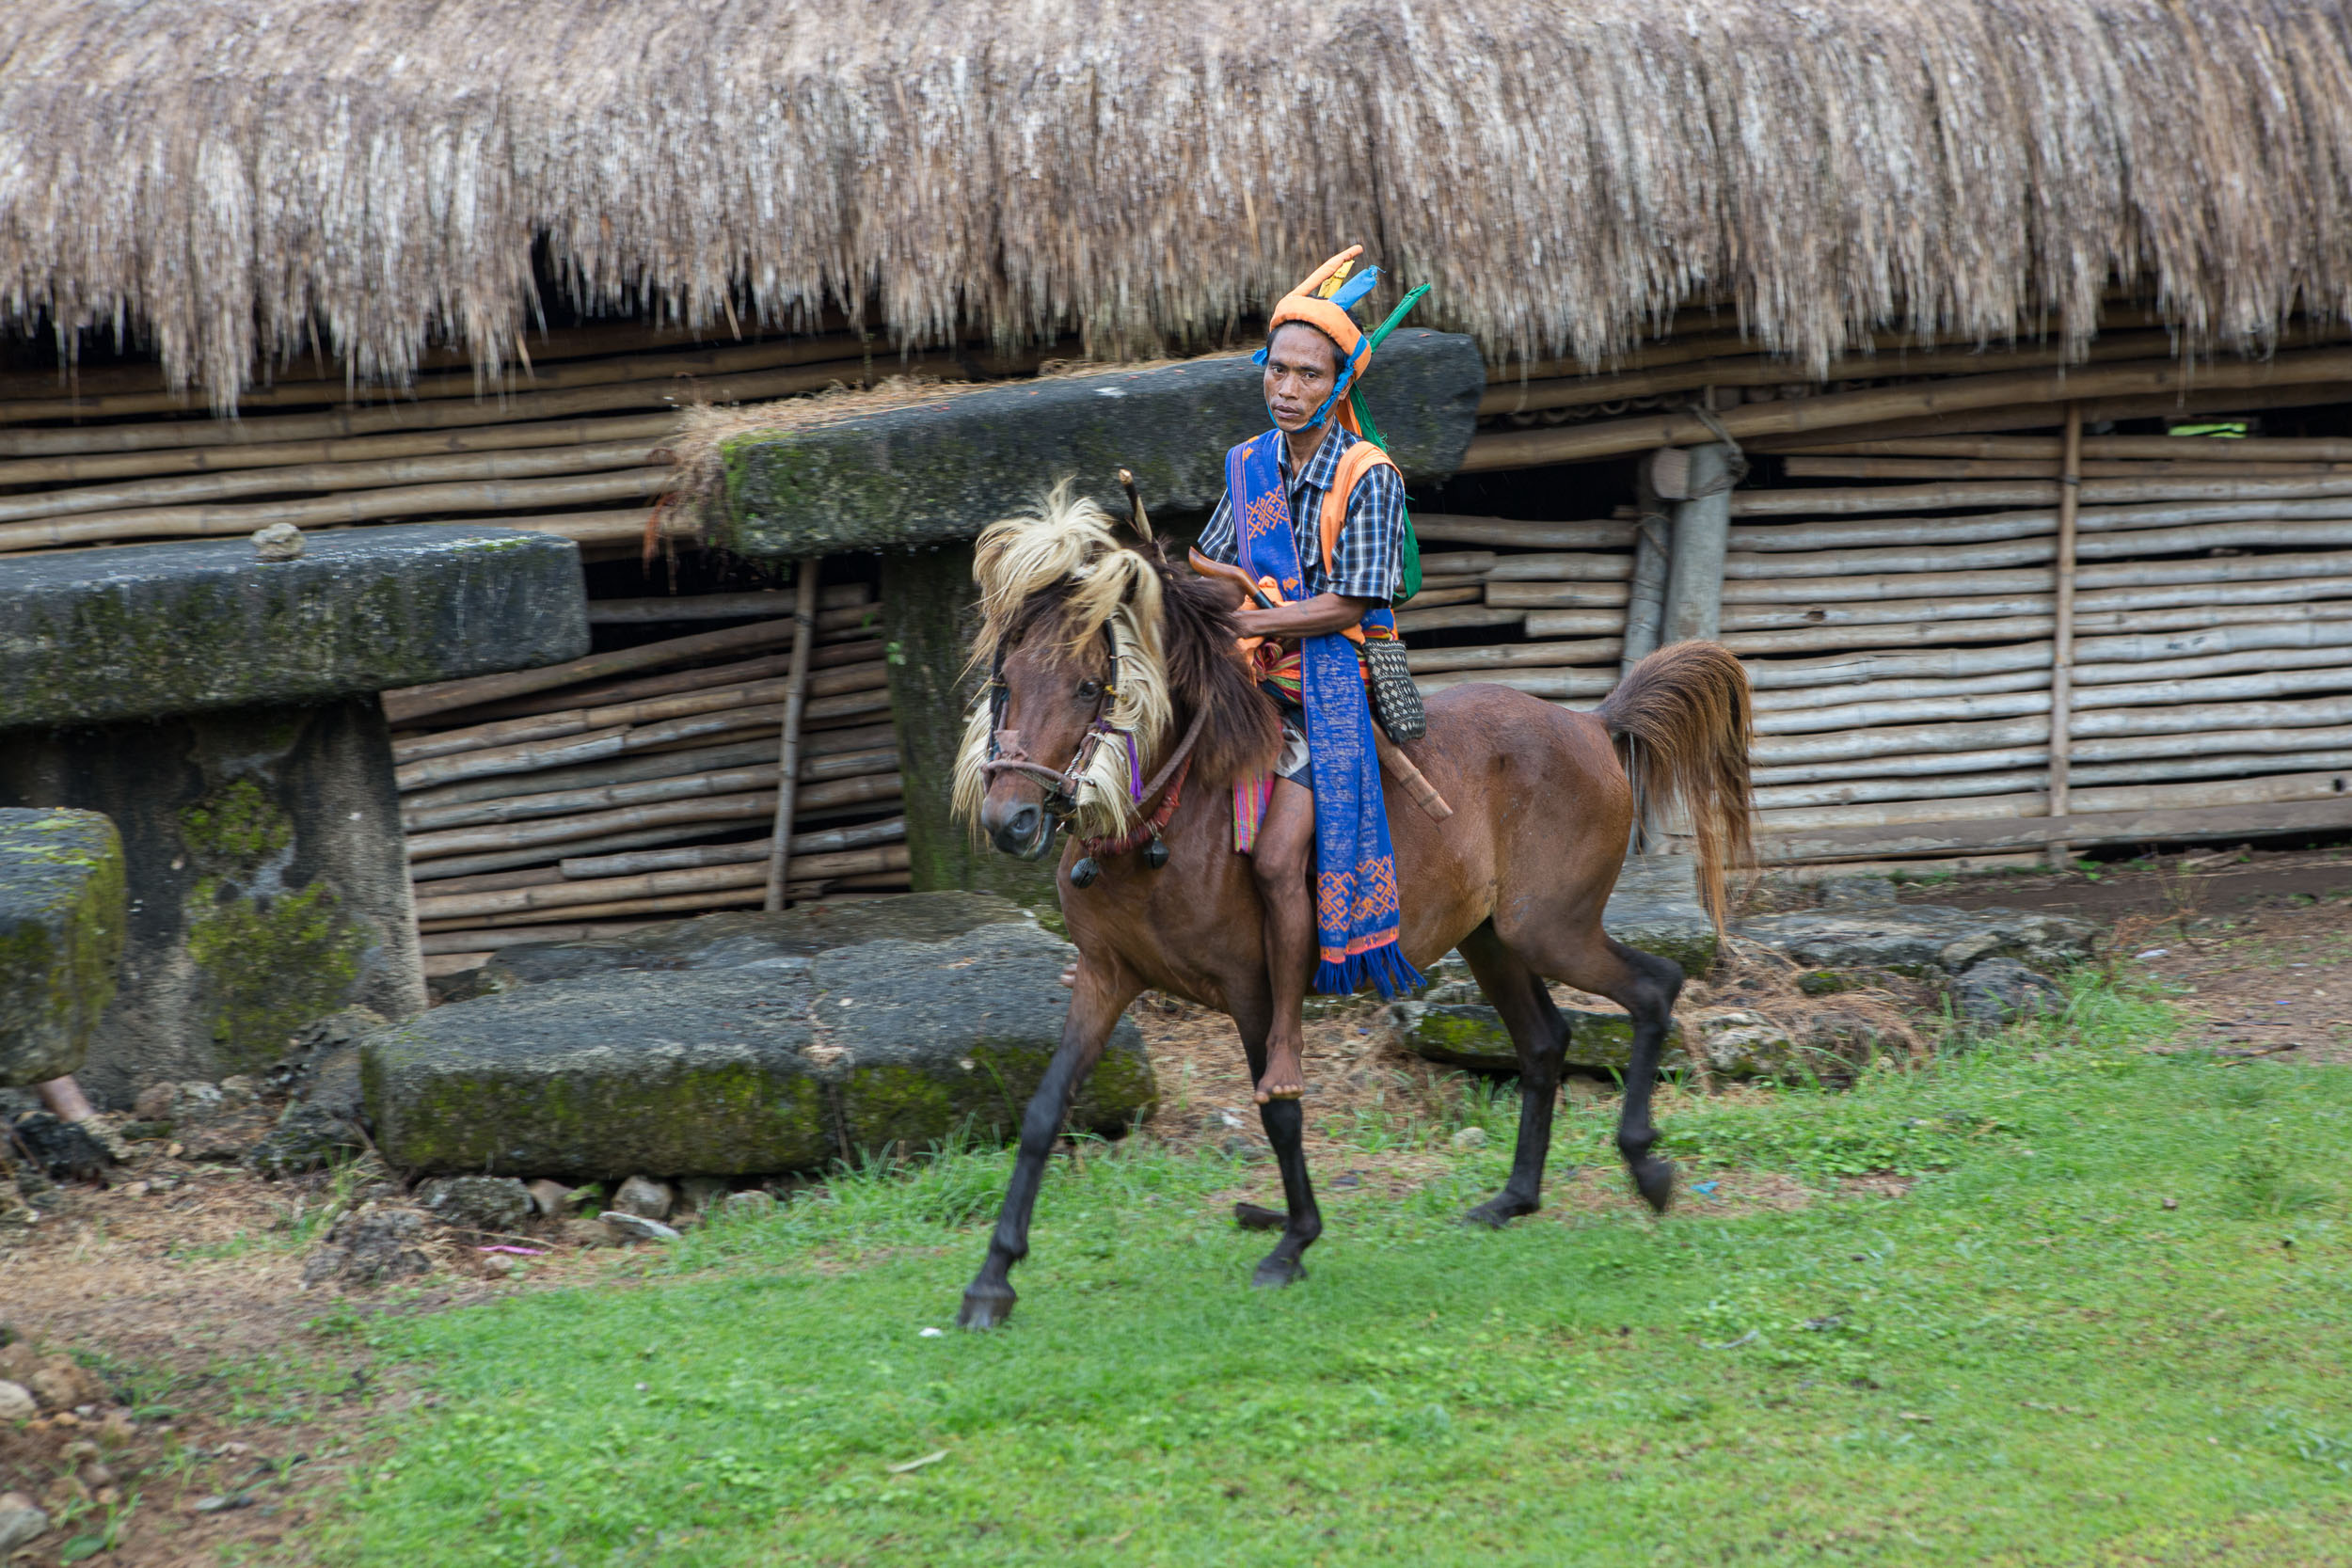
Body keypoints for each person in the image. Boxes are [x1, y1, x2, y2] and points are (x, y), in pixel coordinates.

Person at [1193, 246, 1416, 1105]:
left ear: (1337, 383)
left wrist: (1251, 617)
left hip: (1332, 683)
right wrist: (1205, 585)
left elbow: (1353, 604)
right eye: (1276, 370)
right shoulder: (1248, 464)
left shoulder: (1370, 476)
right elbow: (1212, 555)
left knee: (1282, 857)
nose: (1286, 388)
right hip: (1255, 669)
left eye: (1306, 375)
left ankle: (1286, 1036)